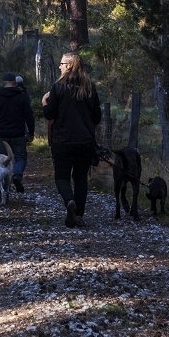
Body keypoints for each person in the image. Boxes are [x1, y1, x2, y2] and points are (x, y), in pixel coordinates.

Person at [41, 53, 102, 228]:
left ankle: (69, 201)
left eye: (61, 63)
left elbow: (50, 114)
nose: (59, 66)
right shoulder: (90, 87)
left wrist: (44, 102)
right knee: (81, 178)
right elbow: (97, 117)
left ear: (68, 66)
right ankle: (79, 215)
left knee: (62, 176)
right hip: (85, 141)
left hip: (63, 140)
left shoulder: (58, 87)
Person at [0, 72, 35, 193]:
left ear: (4, 83)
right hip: (18, 133)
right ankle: (17, 175)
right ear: (15, 83)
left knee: (3, 161)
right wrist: (31, 132)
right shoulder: (22, 97)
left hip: (2, 134)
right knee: (20, 157)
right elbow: (29, 115)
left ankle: (3, 186)